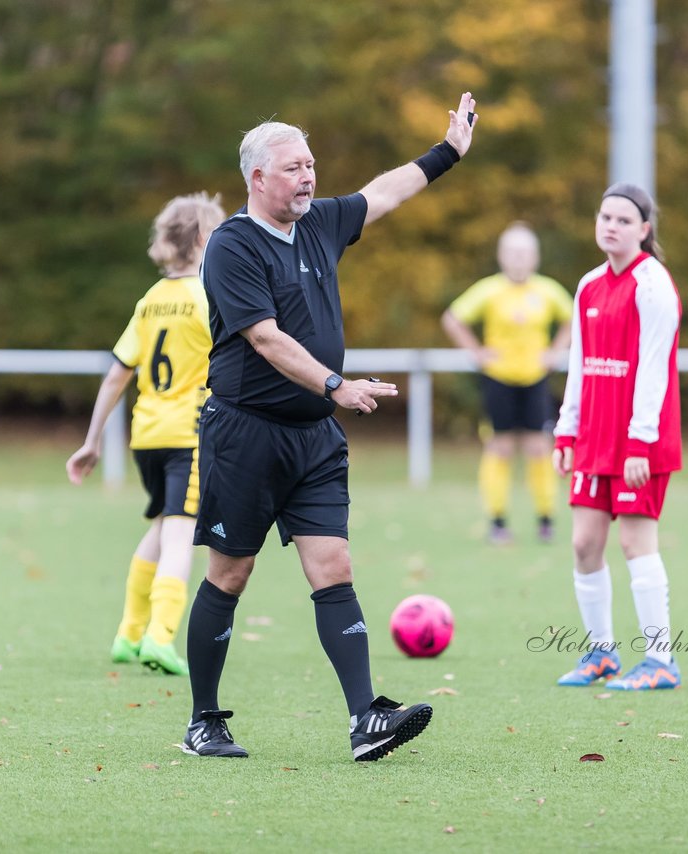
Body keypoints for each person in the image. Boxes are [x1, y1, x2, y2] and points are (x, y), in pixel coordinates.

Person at [181, 93, 477, 761]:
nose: (309, 178)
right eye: (293, 168)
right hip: (244, 433)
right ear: (257, 178)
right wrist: (337, 385)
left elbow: (383, 193)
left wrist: (448, 152)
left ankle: (365, 719)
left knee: (334, 566)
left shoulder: (320, 223)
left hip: (313, 438)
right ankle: (204, 721)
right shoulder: (232, 246)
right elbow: (265, 340)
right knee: (230, 574)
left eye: (311, 165)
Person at [66, 191, 226, 677]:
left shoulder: (151, 301)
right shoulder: (206, 297)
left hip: (147, 437)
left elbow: (118, 373)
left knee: (160, 526)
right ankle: (161, 637)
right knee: (182, 535)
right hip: (190, 435)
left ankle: (128, 632)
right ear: (203, 239)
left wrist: (92, 439)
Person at [550, 182, 683, 691]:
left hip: (638, 442)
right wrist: (567, 430)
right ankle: (601, 655)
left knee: (634, 543)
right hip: (594, 439)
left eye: (624, 220)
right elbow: (580, 365)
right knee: (585, 544)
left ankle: (661, 659)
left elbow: (653, 371)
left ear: (645, 230)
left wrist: (639, 443)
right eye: (605, 216)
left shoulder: (654, 286)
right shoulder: (588, 285)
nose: (611, 226)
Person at [442, 222, 573, 545]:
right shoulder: (489, 289)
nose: (518, 259)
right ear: (502, 256)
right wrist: (477, 352)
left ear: (535, 257)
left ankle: (546, 519)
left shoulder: (547, 290)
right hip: (498, 379)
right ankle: (497, 521)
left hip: (535, 379)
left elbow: (575, 319)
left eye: (524, 252)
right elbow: (452, 318)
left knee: (539, 447)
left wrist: (555, 352)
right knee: (499, 447)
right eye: (512, 252)